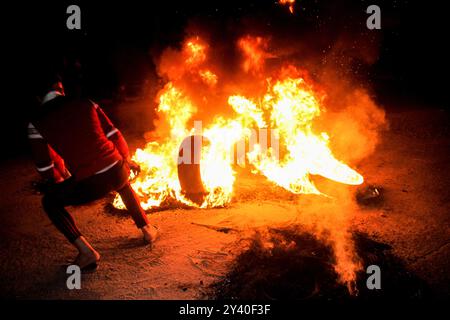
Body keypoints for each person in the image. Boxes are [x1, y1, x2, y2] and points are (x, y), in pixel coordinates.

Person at [28, 75, 158, 271]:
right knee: (120, 179)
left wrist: (58, 182)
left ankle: (86, 252)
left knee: (50, 202)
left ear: (38, 97)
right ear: (60, 87)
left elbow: (45, 166)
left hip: (90, 183)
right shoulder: (85, 102)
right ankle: (147, 229)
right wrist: (126, 160)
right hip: (117, 170)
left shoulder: (35, 123)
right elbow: (113, 133)